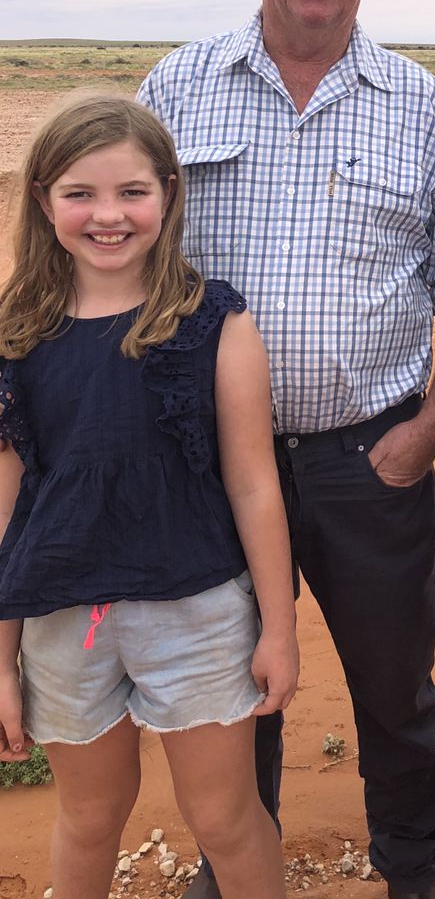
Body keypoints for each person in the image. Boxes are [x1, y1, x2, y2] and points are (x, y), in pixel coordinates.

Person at [139, 0, 435, 899]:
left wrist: (428, 428)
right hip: (211, 461)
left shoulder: (419, 104)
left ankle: (410, 868)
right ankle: (238, 863)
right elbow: (123, 256)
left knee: (394, 687)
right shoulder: (176, 85)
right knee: (236, 682)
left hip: (365, 456)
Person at [0, 94, 299, 899]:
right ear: (43, 199)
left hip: (197, 611)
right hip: (61, 620)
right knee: (90, 817)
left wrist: (278, 627)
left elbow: (253, 483)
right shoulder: (15, 332)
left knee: (227, 816)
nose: (109, 216)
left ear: (168, 192)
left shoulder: (215, 321)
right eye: (80, 194)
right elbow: (7, 504)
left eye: (132, 191)